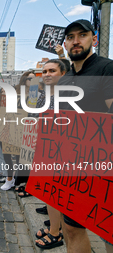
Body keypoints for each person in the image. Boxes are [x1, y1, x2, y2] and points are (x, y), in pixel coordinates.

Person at [58, 19, 113, 253]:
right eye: (70, 37)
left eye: (82, 35)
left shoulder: (106, 69)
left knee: (108, 231)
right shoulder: (65, 78)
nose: (76, 41)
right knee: (71, 229)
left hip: (103, 165)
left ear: (94, 39)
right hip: (71, 167)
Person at [33, 59, 67, 249]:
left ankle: (56, 233)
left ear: (63, 74)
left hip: (61, 151)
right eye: (44, 71)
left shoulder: (69, 94)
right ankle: (55, 226)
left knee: (55, 193)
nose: (46, 74)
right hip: (45, 148)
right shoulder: (44, 95)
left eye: (52, 70)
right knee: (49, 192)